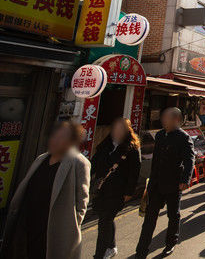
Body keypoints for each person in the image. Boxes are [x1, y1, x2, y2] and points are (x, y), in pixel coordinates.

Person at [1, 121, 89, 259]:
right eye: (55, 136)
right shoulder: (41, 158)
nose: (55, 140)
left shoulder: (79, 162)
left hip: (52, 229)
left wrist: (69, 225)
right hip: (27, 223)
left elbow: (82, 201)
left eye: (62, 137)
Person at [136, 108, 194, 258]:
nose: (163, 120)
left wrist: (185, 180)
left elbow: (189, 160)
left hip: (174, 184)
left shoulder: (184, 137)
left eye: (167, 117)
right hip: (156, 183)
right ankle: (141, 251)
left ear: (176, 119)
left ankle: (171, 242)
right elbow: (155, 160)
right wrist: (150, 182)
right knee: (149, 218)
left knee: (173, 215)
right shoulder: (160, 135)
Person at [91, 118, 142, 259]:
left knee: (104, 220)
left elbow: (134, 172)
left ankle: (99, 255)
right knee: (105, 218)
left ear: (127, 130)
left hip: (118, 191)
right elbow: (94, 164)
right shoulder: (106, 144)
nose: (117, 131)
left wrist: (129, 192)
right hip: (102, 188)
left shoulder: (131, 148)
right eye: (115, 128)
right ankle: (111, 246)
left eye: (121, 128)